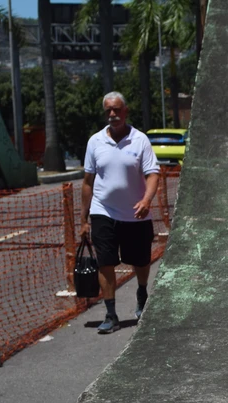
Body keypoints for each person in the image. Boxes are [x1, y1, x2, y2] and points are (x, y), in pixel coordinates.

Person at [80, 92, 160, 334]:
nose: (112, 115)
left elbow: (153, 174)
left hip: (136, 214)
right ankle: (111, 314)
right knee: (106, 263)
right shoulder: (95, 141)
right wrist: (83, 220)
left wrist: (147, 200)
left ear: (125, 111)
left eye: (116, 110)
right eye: (108, 111)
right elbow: (87, 181)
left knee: (141, 261)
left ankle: (142, 293)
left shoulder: (140, 140)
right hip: (103, 211)